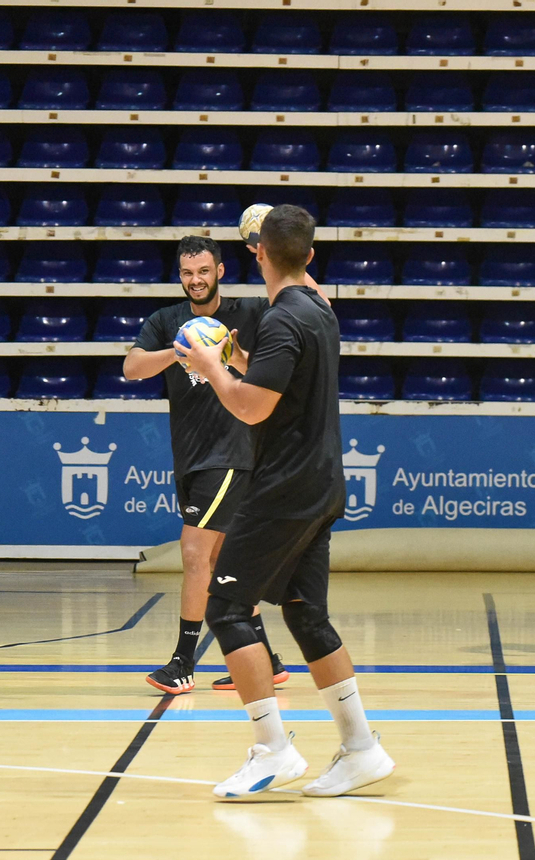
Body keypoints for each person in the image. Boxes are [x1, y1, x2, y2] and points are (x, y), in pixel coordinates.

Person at [180, 205, 393, 799]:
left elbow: (250, 406)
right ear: (311, 255)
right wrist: (237, 362)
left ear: (257, 253)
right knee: (304, 613)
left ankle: (272, 751)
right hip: (322, 484)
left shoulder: (282, 319)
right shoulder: (318, 309)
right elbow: (277, 380)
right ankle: (362, 749)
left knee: (226, 607)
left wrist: (209, 367)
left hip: (285, 487)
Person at [126, 236, 287, 694]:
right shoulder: (167, 322)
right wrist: (180, 354)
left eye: (203, 271)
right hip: (192, 457)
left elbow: (275, 371)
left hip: (234, 453)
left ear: (219, 270)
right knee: (221, 561)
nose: (195, 280)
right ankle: (268, 660)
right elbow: (132, 367)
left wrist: (232, 357)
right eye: (186, 273)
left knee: (194, 553)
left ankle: (182, 662)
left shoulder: (250, 313)